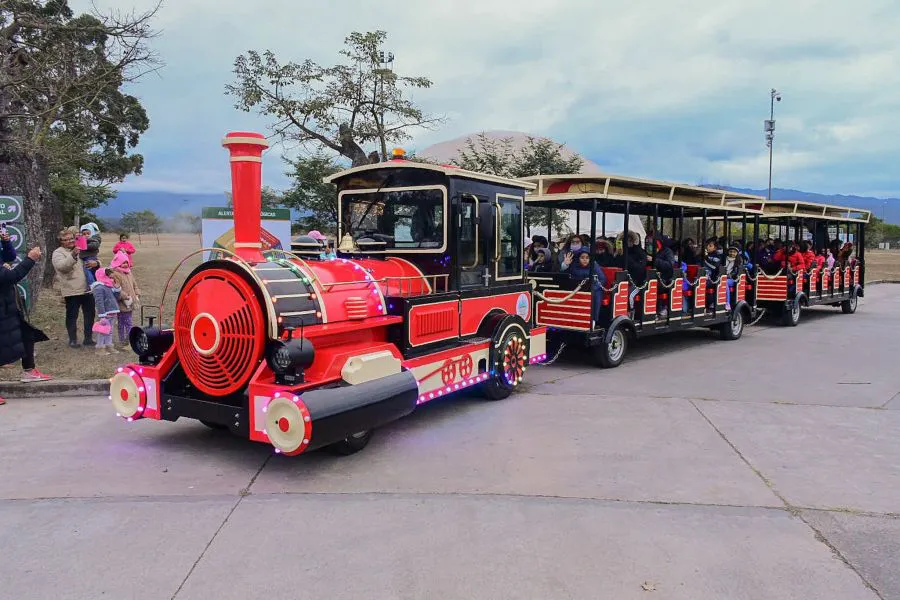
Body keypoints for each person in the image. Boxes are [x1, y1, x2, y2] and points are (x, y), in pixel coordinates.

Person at [1, 238, 51, 405]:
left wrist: (6, 242)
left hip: (8, 307)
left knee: (27, 333)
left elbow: (9, 256)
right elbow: (12, 276)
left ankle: (29, 371)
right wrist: (31, 259)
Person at [52, 229, 96, 348]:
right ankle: (73, 340)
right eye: (66, 240)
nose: (70, 241)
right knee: (72, 315)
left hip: (87, 288)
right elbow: (62, 267)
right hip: (71, 289)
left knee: (90, 314)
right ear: (61, 241)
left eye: (71, 238)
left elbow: (92, 257)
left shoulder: (81, 247)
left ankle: (88, 338)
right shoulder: (58, 253)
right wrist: (73, 254)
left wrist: (96, 263)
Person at [110, 251, 140, 347]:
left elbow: (135, 284)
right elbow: (116, 289)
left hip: (131, 302)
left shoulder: (129, 272)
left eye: (126, 262)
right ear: (117, 263)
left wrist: (137, 294)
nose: (125, 264)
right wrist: (125, 296)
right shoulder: (115, 274)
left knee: (127, 321)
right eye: (123, 262)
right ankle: (124, 340)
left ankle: (127, 340)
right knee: (126, 323)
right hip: (122, 303)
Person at [568, 249, 608, 321]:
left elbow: (602, 279)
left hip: (593, 288)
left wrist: (593, 288)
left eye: (587, 258)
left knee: (596, 294)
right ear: (578, 258)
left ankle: (594, 320)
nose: (585, 260)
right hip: (578, 288)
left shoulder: (594, 265)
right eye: (582, 257)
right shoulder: (574, 265)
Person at [91, 268, 120, 355]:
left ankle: (109, 346)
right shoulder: (99, 288)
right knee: (103, 330)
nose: (111, 278)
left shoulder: (109, 286)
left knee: (110, 330)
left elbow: (116, 298)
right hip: (105, 313)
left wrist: (117, 288)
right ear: (103, 276)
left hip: (112, 312)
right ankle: (100, 348)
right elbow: (99, 302)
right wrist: (102, 315)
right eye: (109, 276)